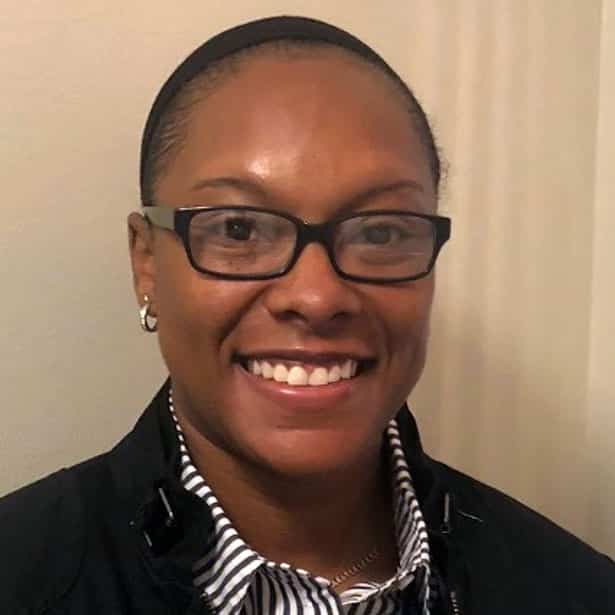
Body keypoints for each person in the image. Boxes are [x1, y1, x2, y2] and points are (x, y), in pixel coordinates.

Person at [0, 15, 613, 615]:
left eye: (380, 232)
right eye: (238, 229)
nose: (317, 297)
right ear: (147, 263)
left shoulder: (576, 591)